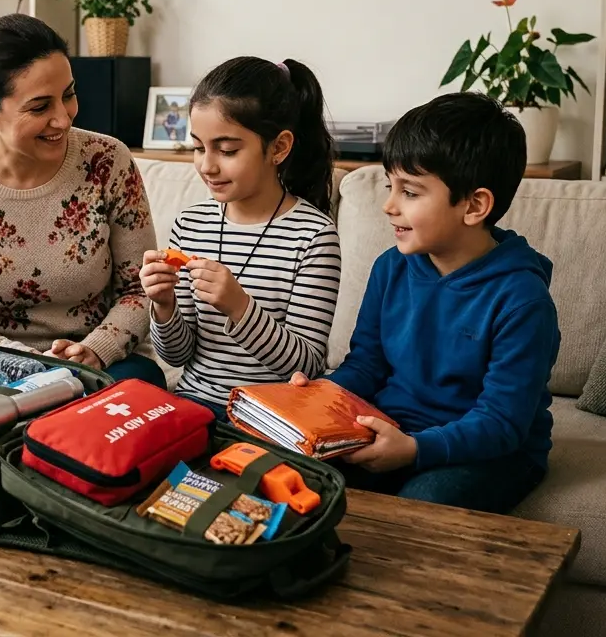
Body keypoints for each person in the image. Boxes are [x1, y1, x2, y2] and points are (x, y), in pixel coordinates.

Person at [293, 91, 559, 515]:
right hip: (396, 429)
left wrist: (415, 450)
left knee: (426, 502)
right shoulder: (390, 268)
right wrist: (322, 397)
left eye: (411, 192)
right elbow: (366, 365)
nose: (389, 205)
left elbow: (502, 423)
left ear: (474, 205)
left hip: (492, 451)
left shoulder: (522, 300)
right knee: (305, 478)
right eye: (389, 185)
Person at [0, 13, 166, 386]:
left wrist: (95, 349)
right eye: (39, 107)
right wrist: (26, 365)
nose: (63, 119)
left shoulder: (108, 161)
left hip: (106, 365)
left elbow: (140, 289)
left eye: (68, 95)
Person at [140, 57, 341, 421]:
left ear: (278, 148)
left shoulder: (313, 236)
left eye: (227, 150)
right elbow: (176, 356)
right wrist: (164, 305)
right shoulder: (190, 225)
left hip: (270, 416)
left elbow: (306, 367)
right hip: (192, 406)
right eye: (199, 147)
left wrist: (240, 307)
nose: (207, 165)